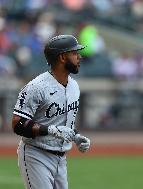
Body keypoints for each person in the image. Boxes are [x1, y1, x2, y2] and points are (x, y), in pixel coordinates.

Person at [11, 34, 91, 189]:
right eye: (74, 53)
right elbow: (17, 123)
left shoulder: (74, 86)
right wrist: (50, 130)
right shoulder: (37, 87)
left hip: (61, 159)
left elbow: (61, 124)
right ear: (62, 57)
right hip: (36, 155)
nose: (79, 57)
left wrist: (76, 136)